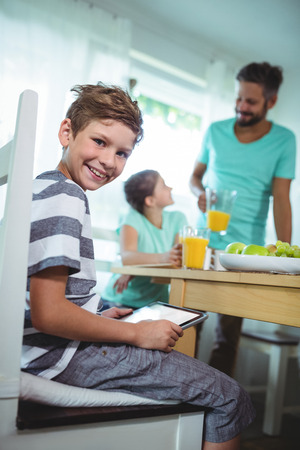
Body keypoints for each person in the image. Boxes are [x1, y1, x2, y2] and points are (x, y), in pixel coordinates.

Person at [22, 83, 255, 449]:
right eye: (99, 142)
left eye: (122, 153)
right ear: (67, 132)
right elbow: (48, 314)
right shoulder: (66, 198)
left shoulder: (43, 188)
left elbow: (46, 297)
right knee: (231, 398)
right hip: (59, 354)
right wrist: (136, 334)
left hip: (41, 349)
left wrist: (98, 315)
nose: (109, 161)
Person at [189, 62, 297, 377]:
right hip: (203, 244)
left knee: (226, 337)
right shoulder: (215, 131)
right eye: (239, 98)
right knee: (187, 323)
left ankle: (216, 411)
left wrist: (284, 254)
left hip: (244, 254)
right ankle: (179, 404)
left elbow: (281, 199)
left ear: (271, 102)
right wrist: (199, 190)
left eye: (250, 101)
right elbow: (195, 177)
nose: (241, 106)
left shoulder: (284, 140)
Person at [101, 169, 187, 309]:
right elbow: (128, 257)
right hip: (120, 300)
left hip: (155, 304)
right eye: (164, 185)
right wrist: (163, 258)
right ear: (150, 200)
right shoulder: (132, 218)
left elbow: (179, 259)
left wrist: (137, 268)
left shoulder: (178, 219)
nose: (170, 188)